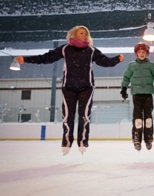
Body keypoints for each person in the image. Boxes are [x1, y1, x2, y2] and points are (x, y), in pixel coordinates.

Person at [15, 25, 124, 155]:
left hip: (86, 87)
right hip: (69, 88)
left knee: (84, 116)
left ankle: (83, 142)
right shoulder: (65, 49)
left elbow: (105, 62)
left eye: (86, 33)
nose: (84, 35)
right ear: (73, 35)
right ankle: (66, 142)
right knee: (67, 116)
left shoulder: (91, 50)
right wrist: (26, 59)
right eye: (81, 33)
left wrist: (117, 59)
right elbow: (46, 58)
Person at [120, 42, 154, 152]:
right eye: (139, 52)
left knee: (148, 119)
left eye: (144, 52)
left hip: (148, 95)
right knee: (138, 119)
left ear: (147, 54)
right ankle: (136, 139)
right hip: (136, 95)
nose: (141, 54)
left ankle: (148, 139)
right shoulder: (132, 65)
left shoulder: (150, 66)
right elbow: (126, 77)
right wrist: (123, 89)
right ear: (136, 53)